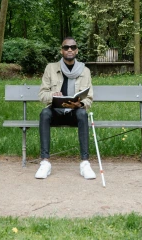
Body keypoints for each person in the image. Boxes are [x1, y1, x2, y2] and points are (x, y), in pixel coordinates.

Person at [35, 36, 96, 180]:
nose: (70, 49)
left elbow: (89, 97)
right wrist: (52, 95)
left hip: (74, 112)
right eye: (66, 47)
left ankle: (85, 163)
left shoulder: (85, 71)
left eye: (73, 47)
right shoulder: (51, 68)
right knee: (44, 114)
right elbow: (42, 94)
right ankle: (45, 162)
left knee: (83, 115)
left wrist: (80, 104)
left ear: (77, 50)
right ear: (61, 51)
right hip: (56, 111)